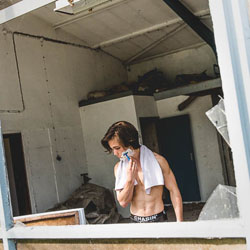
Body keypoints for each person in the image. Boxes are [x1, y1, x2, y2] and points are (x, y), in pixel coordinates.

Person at [101, 121, 183, 223]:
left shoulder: (159, 161)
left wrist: (180, 222)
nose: (115, 153)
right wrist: (130, 180)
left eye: (117, 148)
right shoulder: (118, 168)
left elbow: (174, 191)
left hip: (158, 218)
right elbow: (123, 202)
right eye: (112, 149)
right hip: (135, 220)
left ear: (130, 142)